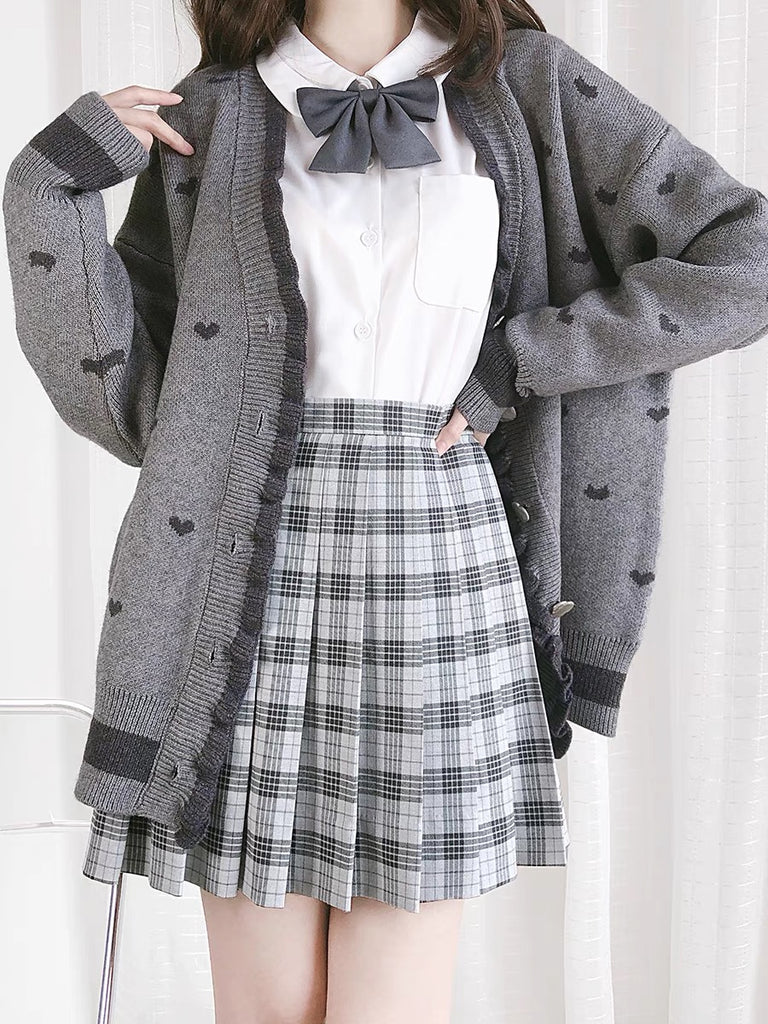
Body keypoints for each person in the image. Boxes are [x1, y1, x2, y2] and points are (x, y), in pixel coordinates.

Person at [5, 1, 767, 1022]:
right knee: (267, 1010)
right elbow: (137, 401)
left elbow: (747, 254)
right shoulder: (215, 110)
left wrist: (523, 358)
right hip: (243, 579)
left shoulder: (529, 83)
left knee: (388, 1008)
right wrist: (48, 187)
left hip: (437, 566)